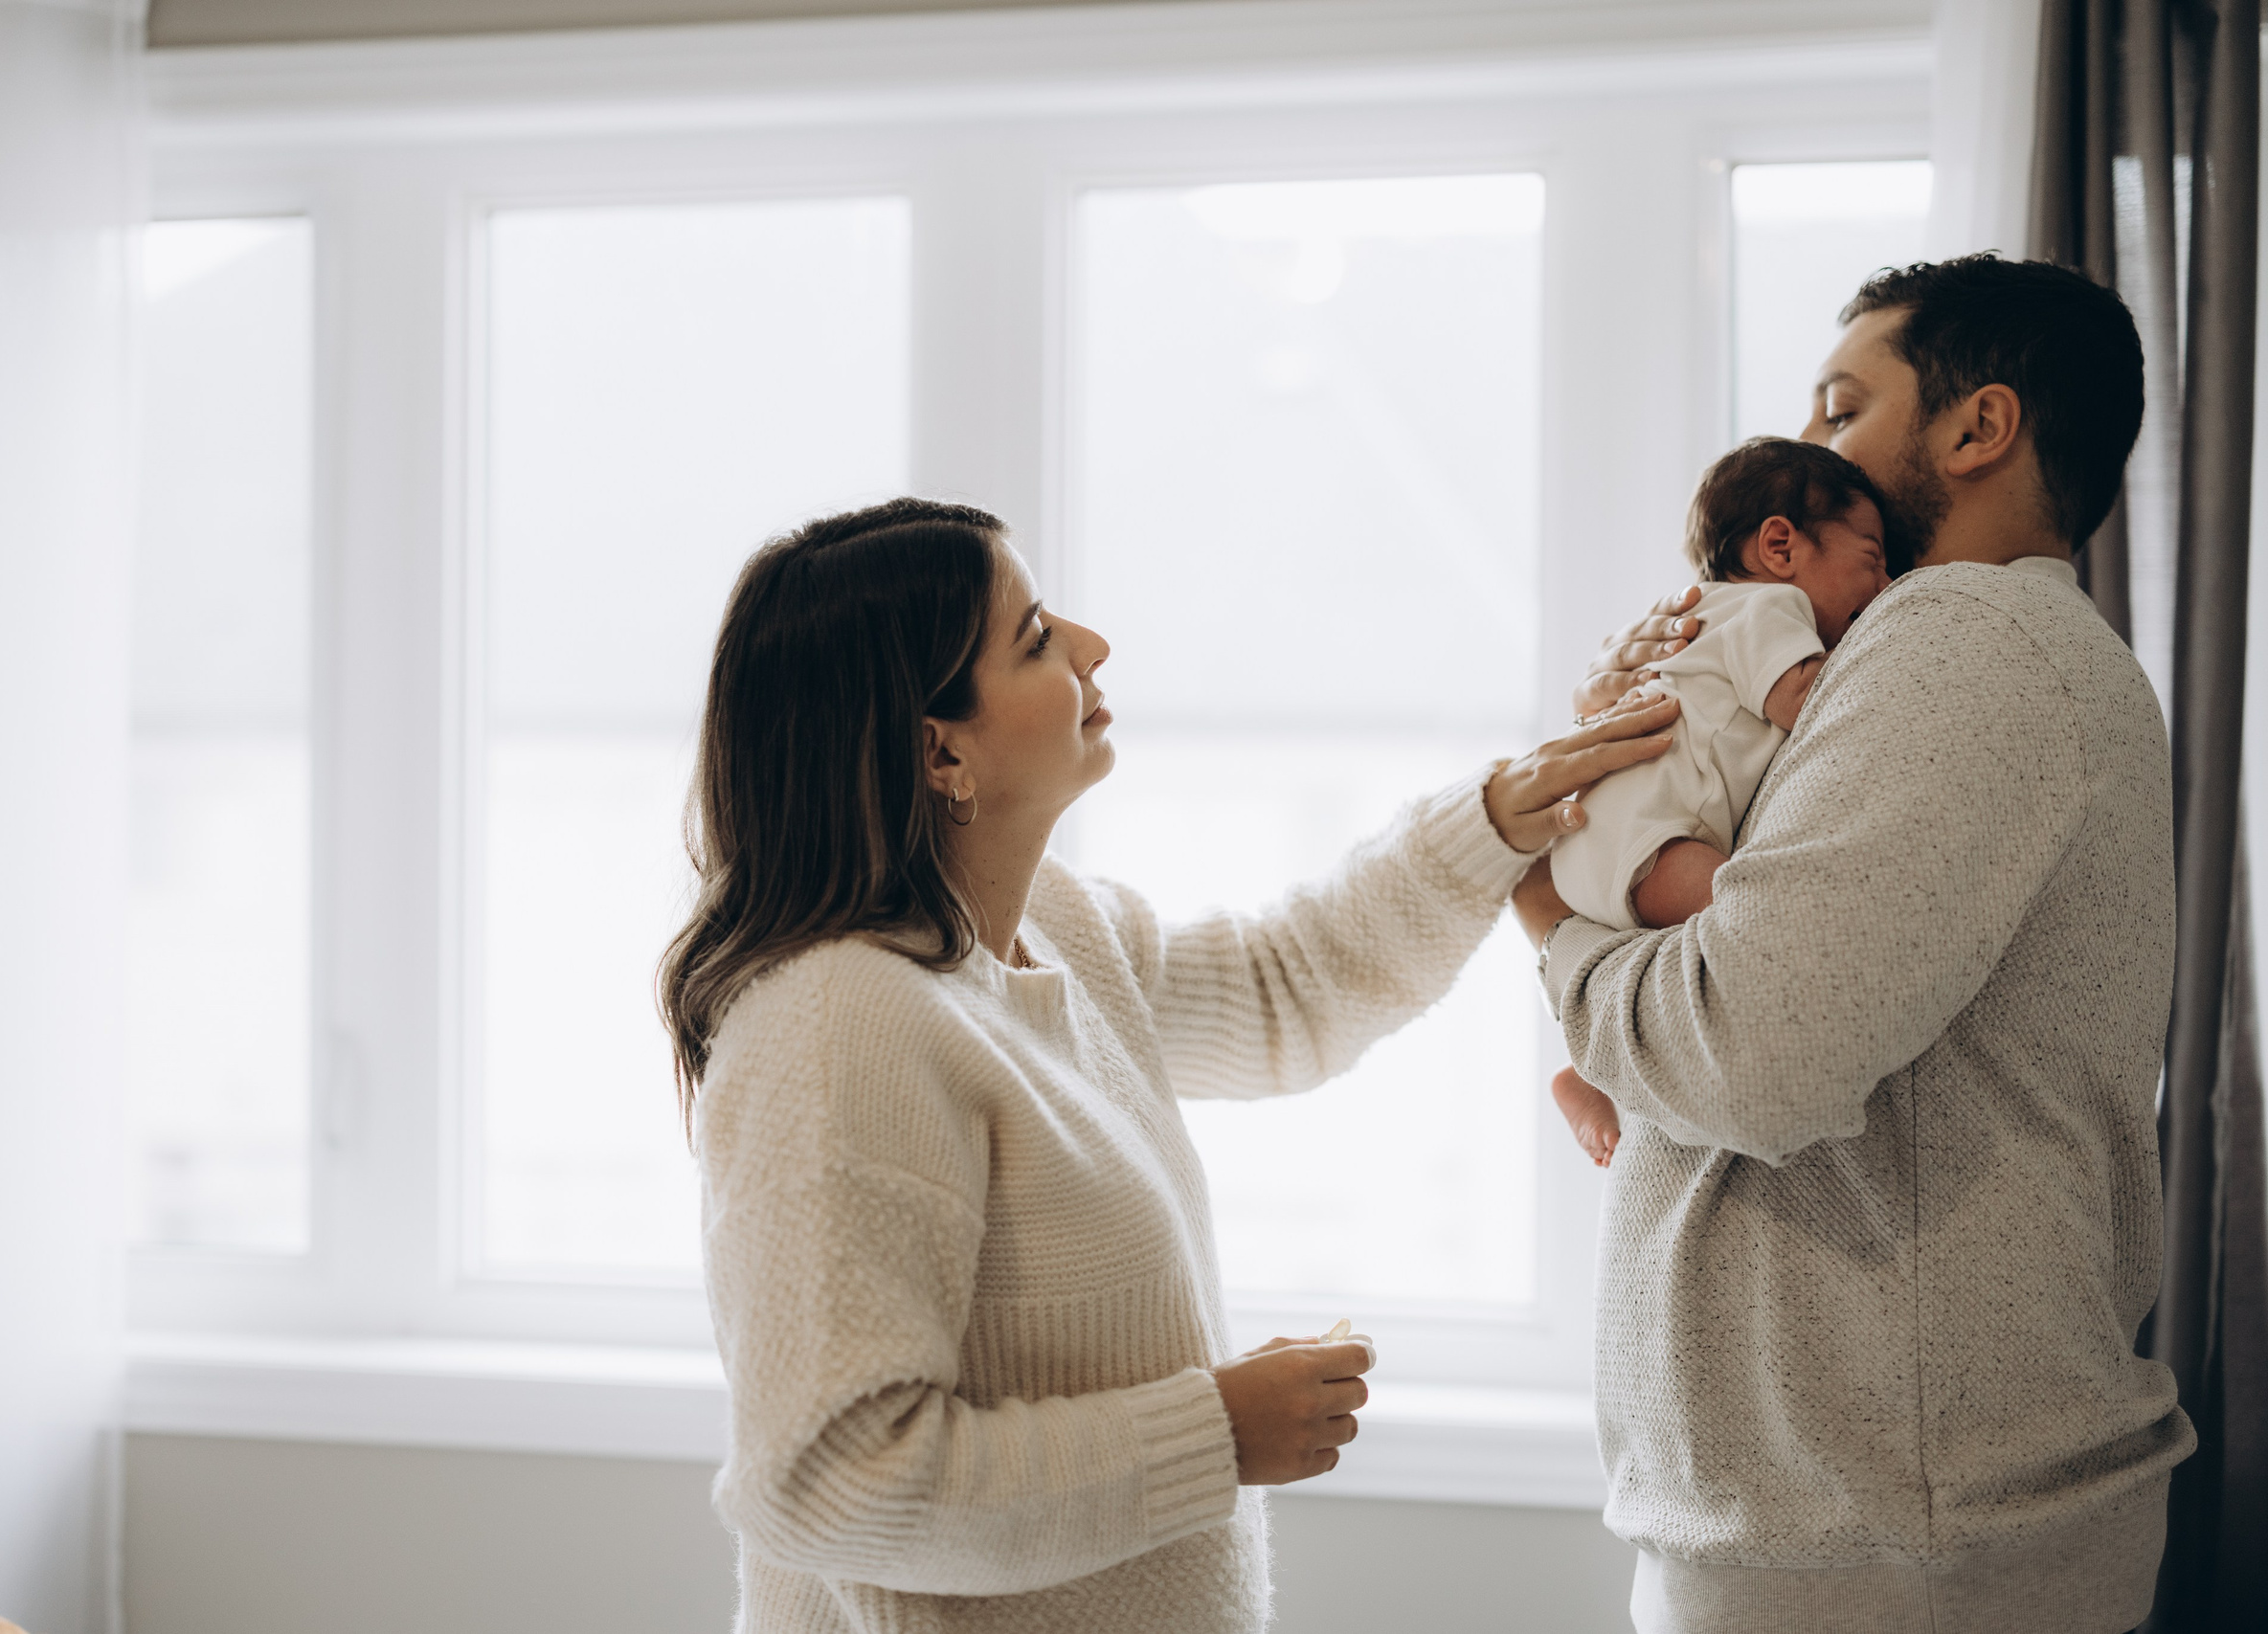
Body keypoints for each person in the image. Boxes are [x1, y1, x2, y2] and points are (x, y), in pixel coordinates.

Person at [661, 497, 1678, 1634]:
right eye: (1036, 637)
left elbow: (1284, 987)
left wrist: (1496, 819)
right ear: (940, 748)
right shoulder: (838, 1028)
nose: (1090, 648)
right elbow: (832, 1484)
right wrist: (1215, 1431)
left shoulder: (1048, 928)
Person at [1524, 254, 2196, 1634]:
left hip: (1894, 1550)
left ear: (1978, 427)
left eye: (1841, 411)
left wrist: (1549, 914)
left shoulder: (1963, 634)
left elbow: (1749, 1048)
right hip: (1875, 1526)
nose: (1806, 462)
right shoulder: (1953, 655)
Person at [1548, 437, 1893, 1165]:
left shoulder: (1713, 613)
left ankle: (1589, 1074)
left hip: (1603, 842)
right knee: (1744, 933)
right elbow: (1805, 700)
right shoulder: (1768, 609)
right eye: (1872, 558)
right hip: (1648, 835)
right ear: (1779, 545)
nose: (1886, 584)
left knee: (1649, 968)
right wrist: (1888, 658)